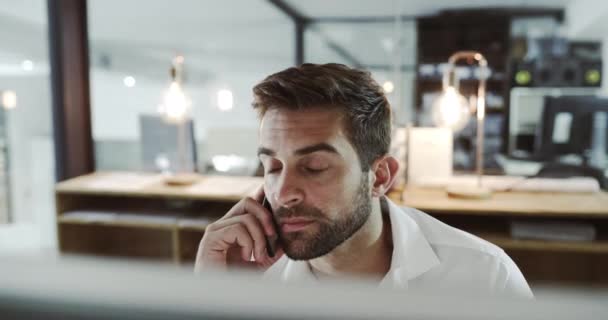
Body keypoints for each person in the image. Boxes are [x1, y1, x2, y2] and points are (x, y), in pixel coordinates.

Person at [195, 63, 533, 298]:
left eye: (314, 167)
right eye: (271, 167)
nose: (283, 193)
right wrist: (216, 296)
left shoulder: (484, 278)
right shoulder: (248, 273)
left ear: (380, 177)